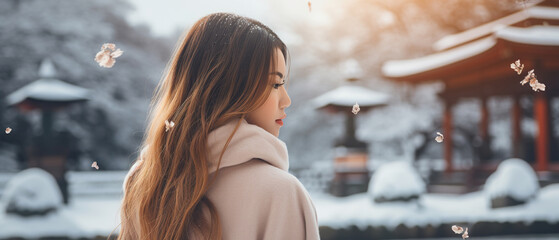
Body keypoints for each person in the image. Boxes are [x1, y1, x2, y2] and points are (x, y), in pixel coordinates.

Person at [118, 13, 320, 240]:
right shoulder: (281, 193)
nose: (286, 100)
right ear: (230, 87)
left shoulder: (146, 182)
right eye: (275, 83)